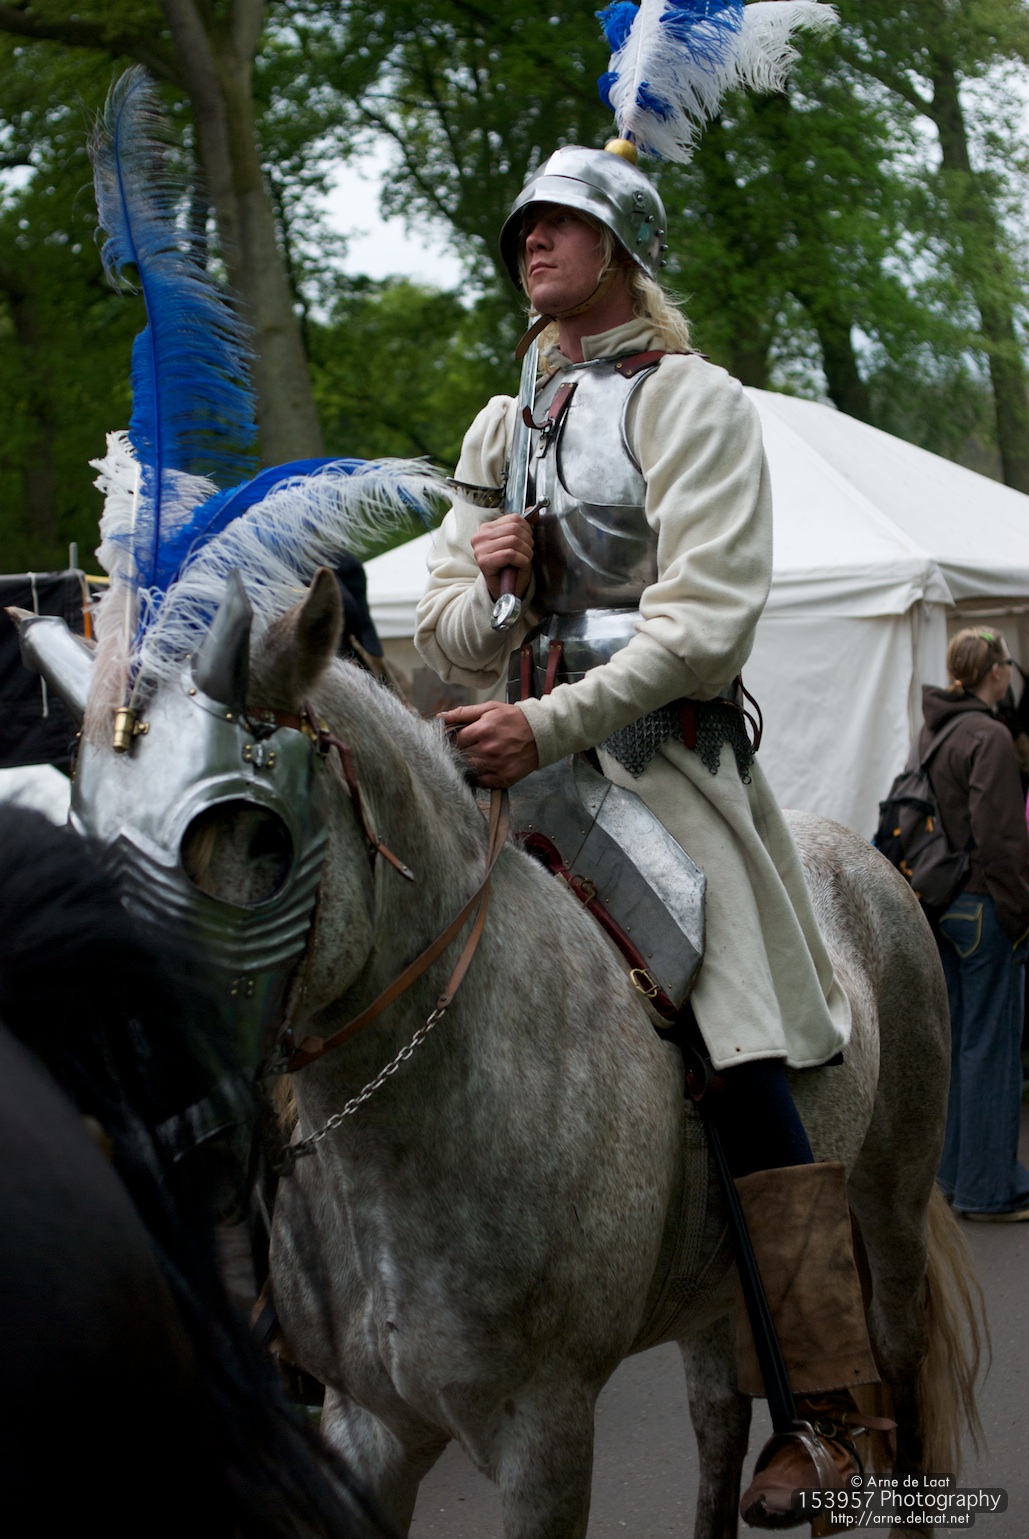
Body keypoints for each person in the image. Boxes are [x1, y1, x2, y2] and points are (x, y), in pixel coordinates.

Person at [415, 143, 884, 1526]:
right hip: (512, 762)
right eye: (524, 225)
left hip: (661, 764)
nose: (532, 241)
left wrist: (547, 721)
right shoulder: (501, 426)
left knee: (740, 1037)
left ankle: (820, 1409)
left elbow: (703, 628)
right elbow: (441, 629)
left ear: (620, 247)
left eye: (560, 223)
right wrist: (493, 582)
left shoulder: (694, 402)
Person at [922, 628, 1029, 1221]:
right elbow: (1000, 838)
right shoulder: (989, 734)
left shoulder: (935, 729)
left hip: (943, 902)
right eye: (1008, 663)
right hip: (986, 906)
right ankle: (989, 1191)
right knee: (990, 1051)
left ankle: (954, 1177)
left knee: (962, 1044)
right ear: (996, 671)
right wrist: (1020, 914)